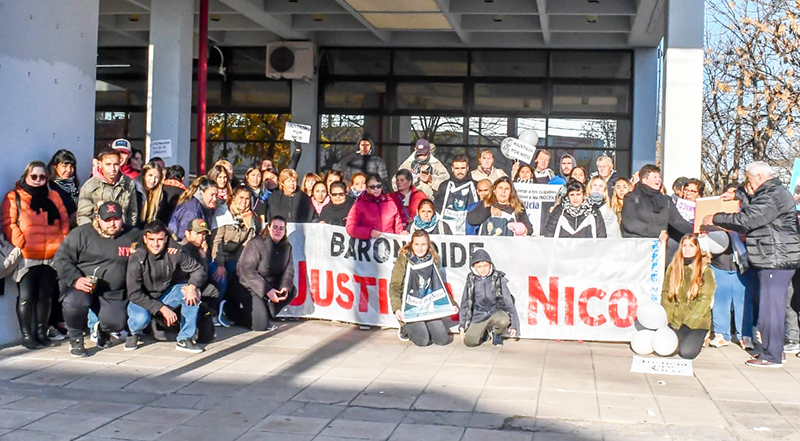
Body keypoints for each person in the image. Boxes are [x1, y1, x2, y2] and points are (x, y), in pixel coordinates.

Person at [703, 161, 800, 367]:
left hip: (776, 258)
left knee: (770, 309)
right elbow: (754, 205)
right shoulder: (773, 192)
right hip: (774, 256)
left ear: (758, 177)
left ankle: (772, 355)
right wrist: (738, 194)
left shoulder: (772, 195)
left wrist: (716, 217)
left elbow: (749, 218)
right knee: (770, 307)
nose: (748, 185)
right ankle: (774, 351)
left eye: (748, 180)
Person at [54, 202, 141, 357]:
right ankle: (76, 339)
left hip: (112, 292)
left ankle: (102, 329)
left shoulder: (132, 234)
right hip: (82, 286)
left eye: (116, 219)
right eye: (107, 219)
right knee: (75, 302)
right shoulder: (81, 234)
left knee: (117, 323)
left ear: (123, 218)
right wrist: (76, 279)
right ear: (98, 219)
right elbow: (61, 259)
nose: (112, 223)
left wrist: (174, 247)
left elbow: (158, 238)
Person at [2, 161, 70, 349]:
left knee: (46, 297)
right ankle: (27, 335)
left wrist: (62, 239)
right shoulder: (14, 196)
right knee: (26, 297)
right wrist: (20, 241)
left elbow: (64, 219)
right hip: (27, 255)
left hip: (51, 255)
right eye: (34, 176)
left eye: (42, 177)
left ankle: (41, 333)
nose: (38, 180)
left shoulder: (53, 196)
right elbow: (8, 222)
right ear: (26, 176)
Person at [125, 220, 206, 353]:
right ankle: (134, 332)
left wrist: (192, 286)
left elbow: (198, 270)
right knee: (140, 319)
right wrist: (161, 308)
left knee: (192, 292)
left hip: (165, 294)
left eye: (160, 239)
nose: (156, 244)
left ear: (166, 239)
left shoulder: (174, 252)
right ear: (145, 239)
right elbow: (134, 293)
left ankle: (185, 338)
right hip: (142, 298)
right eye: (152, 239)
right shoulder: (137, 257)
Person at [389, 230, 452, 346]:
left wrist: (451, 304)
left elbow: (438, 284)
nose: (420, 248)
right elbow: (394, 285)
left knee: (442, 340)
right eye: (416, 244)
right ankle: (404, 327)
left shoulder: (433, 258)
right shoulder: (404, 258)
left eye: (423, 244)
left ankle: (425, 323)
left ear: (428, 245)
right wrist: (397, 308)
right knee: (422, 341)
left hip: (427, 303)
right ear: (411, 244)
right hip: (409, 305)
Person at [233, 216, 296, 331]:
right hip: (249, 286)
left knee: (292, 290)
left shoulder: (287, 247)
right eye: (275, 227)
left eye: (281, 228)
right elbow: (247, 270)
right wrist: (267, 290)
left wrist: (284, 287)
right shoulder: (256, 243)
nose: (278, 230)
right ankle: (233, 313)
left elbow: (289, 271)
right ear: (268, 228)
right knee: (260, 326)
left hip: (271, 285)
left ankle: (266, 313)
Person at [662, 234, 716, 360]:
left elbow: (704, 301)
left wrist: (688, 324)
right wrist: (669, 321)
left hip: (696, 322)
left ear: (697, 248)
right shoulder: (673, 267)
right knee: (668, 350)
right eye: (684, 246)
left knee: (686, 353)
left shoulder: (706, 271)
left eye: (691, 246)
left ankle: (702, 337)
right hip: (675, 321)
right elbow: (666, 295)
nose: (687, 249)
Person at [211, 186, 260, 320]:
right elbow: (216, 242)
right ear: (234, 198)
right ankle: (213, 311)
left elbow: (247, 243)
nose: (244, 202)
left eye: (247, 199)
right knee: (221, 279)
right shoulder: (223, 214)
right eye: (241, 198)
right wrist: (220, 264)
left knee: (239, 277)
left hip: (234, 257)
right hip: (218, 256)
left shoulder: (249, 216)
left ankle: (230, 310)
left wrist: (249, 224)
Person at [458, 249, 519, 347]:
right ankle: (485, 333)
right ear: (473, 267)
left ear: (490, 265)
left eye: (486, 265)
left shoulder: (498, 278)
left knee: (504, 320)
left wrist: (514, 325)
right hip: (479, 315)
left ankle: (496, 334)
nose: (483, 269)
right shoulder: (471, 280)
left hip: (495, 312)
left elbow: (509, 302)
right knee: (469, 342)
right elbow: (465, 304)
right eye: (479, 266)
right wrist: (462, 326)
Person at [621, 164, 692, 241]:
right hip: (637, 244)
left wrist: (695, 229)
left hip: (659, 244)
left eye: (659, 177)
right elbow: (630, 223)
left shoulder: (666, 200)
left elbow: (677, 221)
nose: (658, 180)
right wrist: (657, 232)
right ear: (644, 180)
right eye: (655, 177)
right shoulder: (632, 197)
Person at [76, 149, 138, 226]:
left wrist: (128, 232)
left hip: (122, 232)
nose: (113, 169)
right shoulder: (90, 186)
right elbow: (83, 216)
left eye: (116, 164)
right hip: (97, 234)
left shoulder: (128, 183)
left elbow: (132, 212)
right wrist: (91, 234)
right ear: (100, 164)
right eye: (108, 164)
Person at [346, 173, 407, 240]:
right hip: (366, 246)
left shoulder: (390, 203)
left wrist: (402, 234)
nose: (376, 189)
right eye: (372, 187)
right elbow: (350, 228)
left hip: (388, 245)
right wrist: (369, 232)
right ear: (367, 188)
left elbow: (398, 227)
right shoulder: (359, 205)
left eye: (378, 186)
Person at [467, 177, 532, 236]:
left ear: (511, 192)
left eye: (506, 189)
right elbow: (471, 220)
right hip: (488, 246)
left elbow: (530, 229)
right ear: (494, 190)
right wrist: (488, 211)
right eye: (500, 188)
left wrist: (523, 229)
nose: (503, 192)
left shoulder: (517, 207)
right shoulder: (486, 204)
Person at [434, 155, 479, 235]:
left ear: (467, 168)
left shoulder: (476, 186)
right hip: (447, 232)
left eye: (463, 168)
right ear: (452, 169)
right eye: (457, 168)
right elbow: (437, 209)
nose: (460, 171)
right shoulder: (444, 186)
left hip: (469, 231)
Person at [169, 176, 218, 241]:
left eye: (216, 195)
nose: (215, 199)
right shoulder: (191, 211)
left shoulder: (205, 207)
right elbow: (183, 237)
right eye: (212, 195)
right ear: (201, 192)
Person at [47, 149, 80, 224]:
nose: (69, 170)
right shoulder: (50, 187)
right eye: (64, 166)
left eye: (71, 166)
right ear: (55, 167)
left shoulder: (73, 186)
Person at [135, 162, 169, 227]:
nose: (153, 180)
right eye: (150, 175)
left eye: (157, 177)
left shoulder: (160, 195)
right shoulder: (135, 190)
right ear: (143, 175)